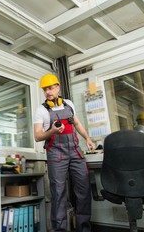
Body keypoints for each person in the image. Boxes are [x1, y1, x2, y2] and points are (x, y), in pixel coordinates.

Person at [33, 74, 95, 232]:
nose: (48, 92)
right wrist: (52, 130)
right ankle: (60, 230)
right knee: (59, 194)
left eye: (51, 88)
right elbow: (38, 135)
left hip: (75, 151)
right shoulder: (41, 110)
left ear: (58, 87)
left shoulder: (68, 104)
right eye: (45, 89)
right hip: (55, 154)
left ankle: (84, 228)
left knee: (83, 190)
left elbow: (78, 123)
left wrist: (87, 138)